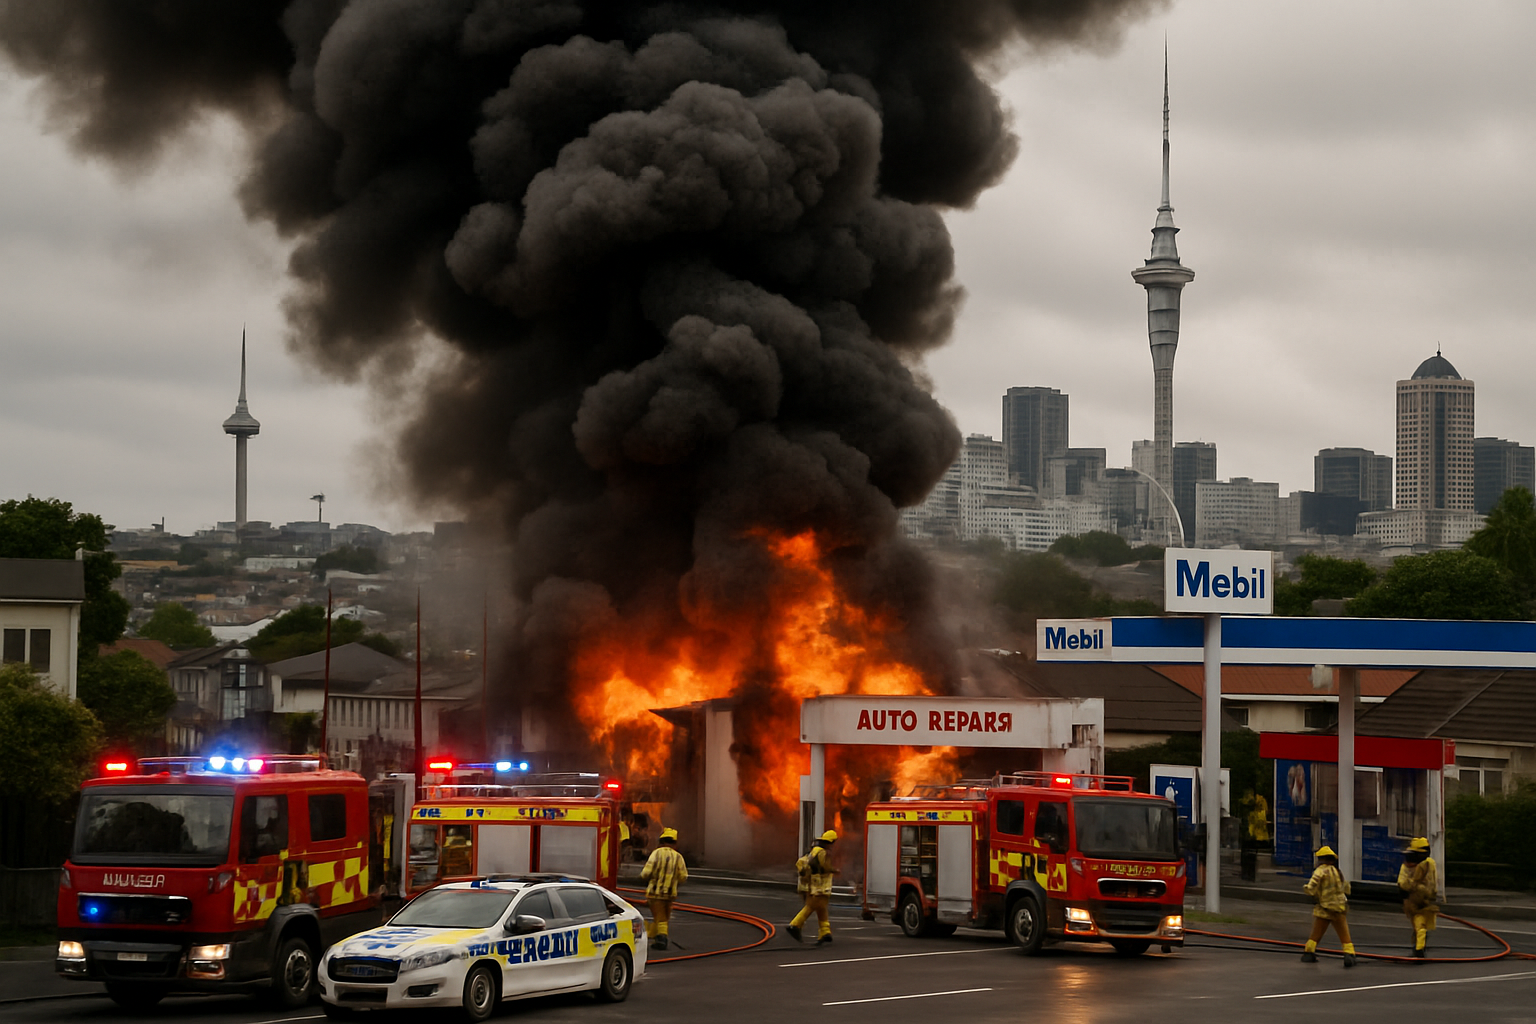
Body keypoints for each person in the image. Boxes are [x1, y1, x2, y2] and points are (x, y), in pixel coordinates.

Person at [1301, 845, 1356, 967]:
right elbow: (1346, 888)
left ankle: (1309, 953)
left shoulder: (1320, 871)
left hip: (1325, 908)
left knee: (1316, 933)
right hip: (1339, 908)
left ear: (1321, 859)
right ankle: (1349, 955)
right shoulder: (1337, 871)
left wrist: (1307, 890)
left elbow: (1312, 887)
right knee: (1344, 934)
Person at [640, 827, 687, 950]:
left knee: (660, 918)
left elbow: (645, 873)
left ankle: (661, 939)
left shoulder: (656, 853)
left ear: (662, 841)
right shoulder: (678, 857)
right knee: (663, 918)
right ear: (674, 843)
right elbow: (683, 877)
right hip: (670, 895)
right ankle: (655, 937)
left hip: (655, 893)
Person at [788, 830, 838, 946]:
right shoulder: (822, 852)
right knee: (812, 906)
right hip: (818, 885)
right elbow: (823, 867)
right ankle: (795, 925)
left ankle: (825, 932)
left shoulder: (815, 850)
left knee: (821, 907)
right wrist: (834, 870)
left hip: (812, 884)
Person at [1397, 836, 1439, 958]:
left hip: (1421, 901)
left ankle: (1419, 948)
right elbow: (1402, 883)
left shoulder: (1428, 865)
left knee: (1419, 923)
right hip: (1415, 900)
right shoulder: (1409, 867)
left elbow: (1430, 885)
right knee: (1418, 925)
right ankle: (1419, 944)